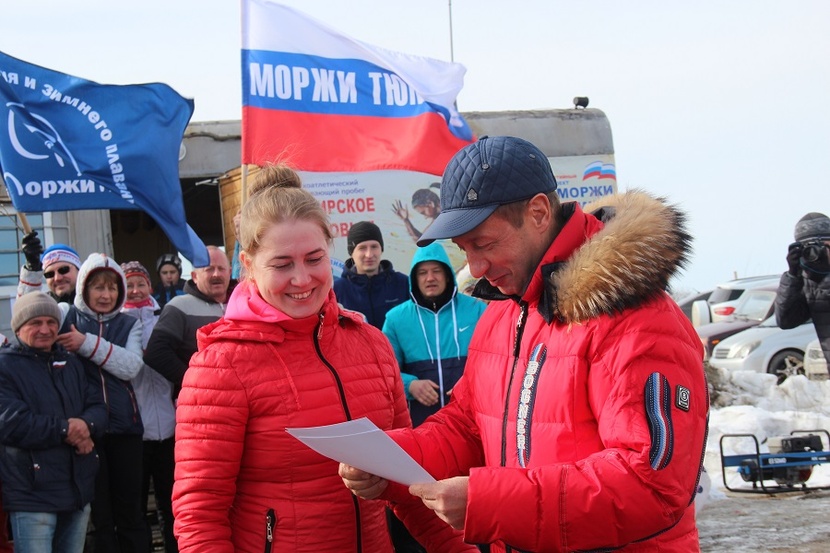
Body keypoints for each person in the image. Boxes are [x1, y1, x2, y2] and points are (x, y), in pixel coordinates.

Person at [340, 136, 709, 552]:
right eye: (464, 250)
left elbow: (652, 485)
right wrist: (390, 459)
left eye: (484, 244)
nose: (475, 267)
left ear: (538, 213)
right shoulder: (504, 311)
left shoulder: (637, 319)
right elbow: (469, 425)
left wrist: (491, 502)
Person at [172, 164, 473, 553]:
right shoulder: (221, 366)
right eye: (282, 264)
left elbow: (409, 482)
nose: (302, 279)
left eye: (314, 259)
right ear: (247, 264)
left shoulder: (371, 344)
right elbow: (199, 517)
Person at [54, 253, 149, 553]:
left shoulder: (129, 324)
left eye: (112, 288)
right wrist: (31, 271)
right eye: (98, 287)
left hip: (125, 430)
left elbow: (131, 366)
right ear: (84, 287)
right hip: (85, 432)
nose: (106, 295)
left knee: (131, 512)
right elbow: (29, 313)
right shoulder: (66, 316)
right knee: (99, 516)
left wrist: (86, 343)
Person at [0, 292, 107, 553]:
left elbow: (98, 407)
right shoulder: (4, 366)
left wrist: (86, 426)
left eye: (51, 322)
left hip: (77, 490)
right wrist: (67, 430)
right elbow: (11, 422)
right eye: (35, 323)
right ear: (18, 327)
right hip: (32, 494)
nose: (45, 329)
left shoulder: (71, 363)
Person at [383, 242, 487, 428]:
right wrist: (409, 385)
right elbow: (385, 373)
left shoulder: (476, 310)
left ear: (447, 275)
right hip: (421, 425)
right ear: (414, 278)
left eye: (436, 271)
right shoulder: (396, 319)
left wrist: (471, 381)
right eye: (422, 273)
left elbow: (494, 361)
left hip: (472, 421)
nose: (430, 278)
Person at [121, 262, 178, 553]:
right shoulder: (118, 323)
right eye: (129, 285)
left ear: (149, 286)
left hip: (170, 427)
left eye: (140, 284)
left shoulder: (165, 317)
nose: (135, 290)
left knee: (172, 505)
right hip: (136, 430)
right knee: (136, 506)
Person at [143, 246, 234, 397]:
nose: (216, 274)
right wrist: (195, 381)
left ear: (230, 272)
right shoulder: (179, 306)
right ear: (194, 276)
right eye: (209, 269)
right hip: (200, 401)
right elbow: (156, 353)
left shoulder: (244, 304)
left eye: (221, 269)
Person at [332, 221, 409, 329]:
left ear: (381, 249)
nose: (369, 254)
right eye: (362, 248)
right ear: (351, 252)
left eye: (374, 246)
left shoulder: (402, 283)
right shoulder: (337, 290)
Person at [775, 212, 830, 362]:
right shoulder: (807, 280)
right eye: (808, 248)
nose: (816, 253)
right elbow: (786, 321)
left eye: (822, 246)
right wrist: (792, 276)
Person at [18, 232, 82, 304]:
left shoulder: (91, 302)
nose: (57, 278)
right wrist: (32, 268)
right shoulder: (44, 306)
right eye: (50, 274)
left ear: (79, 271)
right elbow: (24, 308)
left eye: (64, 270)